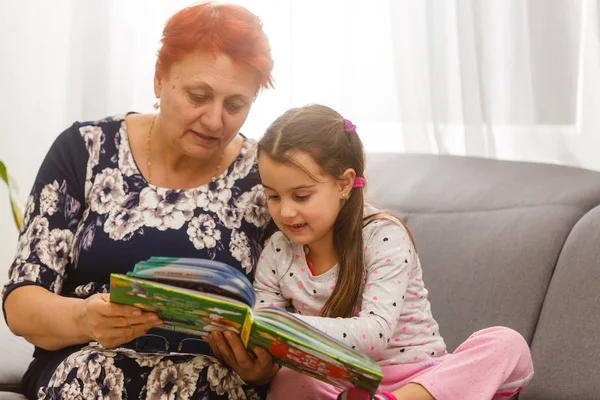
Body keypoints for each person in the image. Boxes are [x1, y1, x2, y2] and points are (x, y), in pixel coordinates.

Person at [2, 2, 280, 399]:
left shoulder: (267, 177)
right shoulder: (85, 150)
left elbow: (292, 309)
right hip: (88, 371)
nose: (215, 120)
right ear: (158, 79)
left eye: (236, 105)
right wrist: (85, 318)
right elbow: (22, 305)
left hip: (213, 385)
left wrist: (261, 367)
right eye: (198, 95)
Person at [243, 104, 534, 399]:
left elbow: (375, 334)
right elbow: (268, 328)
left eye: (301, 196)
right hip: (340, 383)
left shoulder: (383, 234)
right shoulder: (278, 251)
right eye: (273, 196)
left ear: (343, 184)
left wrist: (288, 327)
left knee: (507, 344)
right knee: (292, 376)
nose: (286, 211)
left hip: (420, 379)